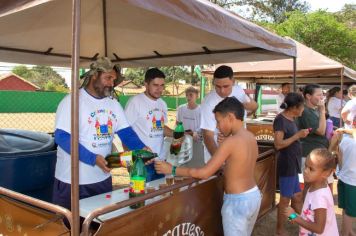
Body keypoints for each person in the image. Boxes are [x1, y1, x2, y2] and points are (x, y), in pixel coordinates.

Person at [155, 97, 261, 236]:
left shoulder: (231, 141)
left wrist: (172, 169)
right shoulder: (250, 137)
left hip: (237, 202)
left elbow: (204, 173)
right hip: (253, 195)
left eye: (218, 121)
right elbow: (239, 164)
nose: (217, 126)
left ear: (230, 117)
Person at [53, 57, 147, 210]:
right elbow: (62, 137)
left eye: (113, 79)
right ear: (94, 75)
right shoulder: (72, 101)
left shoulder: (113, 104)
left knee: (98, 226)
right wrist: (93, 158)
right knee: (70, 228)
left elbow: (126, 133)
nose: (111, 83)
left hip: (102, 180)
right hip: (72, 182)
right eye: (108, 78)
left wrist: (142, 148)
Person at [200, 65, 258, 163]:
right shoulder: (208, 102)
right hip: (217, 157)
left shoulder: (238, 90)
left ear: (233, 81)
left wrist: (249, 105)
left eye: (226, 86)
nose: (222, 91)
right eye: (217, 86)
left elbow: (254, 107)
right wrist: (219, 162)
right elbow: (208, 136)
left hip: (240, 152)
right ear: (213, 82)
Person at [125, 68, 173, 181]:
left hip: (160, 162)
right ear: (146, 84)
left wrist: (177, 134)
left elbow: (160, 127)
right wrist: (129, 161)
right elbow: (125, 133)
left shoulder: (162, 104)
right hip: (141, 162)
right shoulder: (135, 102)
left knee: (160, 196)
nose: (159, 89)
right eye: (155, 85)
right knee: (142, 197)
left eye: (162, 85)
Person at [273, 92, 309, 236]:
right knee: (285, 199)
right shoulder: (281, 120)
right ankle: (280, 230)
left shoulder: (290, 118)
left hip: (293, 164)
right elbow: (278, 144)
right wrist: (297, 136)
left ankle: (296, 221)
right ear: (294, 107)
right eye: (302, 107)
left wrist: (299, 135)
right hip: (286, 164)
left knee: (297, 197)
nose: (303, 110)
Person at [285, 148, 339, 236]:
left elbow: (319, 228)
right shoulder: (314, 187)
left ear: (326, 173)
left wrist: (295, 217)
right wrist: (295, 217)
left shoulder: (319, 197)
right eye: (306, 166)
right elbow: (309, 214)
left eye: (311, 169)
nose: (305, 171)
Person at [296, 84, 333, 191]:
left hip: (319, 152)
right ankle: (308, 207)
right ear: (308, 96)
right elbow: (321, 131)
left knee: (324, 185)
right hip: (310, 154)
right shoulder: (305, 111)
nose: (322, 97)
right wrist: (322, 111)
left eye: (322, 94)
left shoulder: (314, 110)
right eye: (319, 95)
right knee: (309, 187)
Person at [329, 115, 356, 236]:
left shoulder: (344, 139)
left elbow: (339, 159)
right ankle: (345, 232)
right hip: (352, 182)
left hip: (344, 179)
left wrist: (344, 130)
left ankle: (348, 231)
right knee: (350, 213)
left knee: (346, 210)